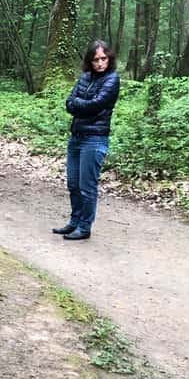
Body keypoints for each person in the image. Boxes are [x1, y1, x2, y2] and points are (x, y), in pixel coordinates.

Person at [53, 40, 120, 240]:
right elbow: (69, 103)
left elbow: (96, 105)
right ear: (89, 61)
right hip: (77, 137)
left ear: (109, 58)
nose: (100, 63)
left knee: (87, 186)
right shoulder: (84, 78)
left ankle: (84, 227)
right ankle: (74, 221)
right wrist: (82, 105)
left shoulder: (112, 79)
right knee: (73, 184)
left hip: (95, 139)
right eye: (96, 59)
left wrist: (80, 104)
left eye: (103, 59)